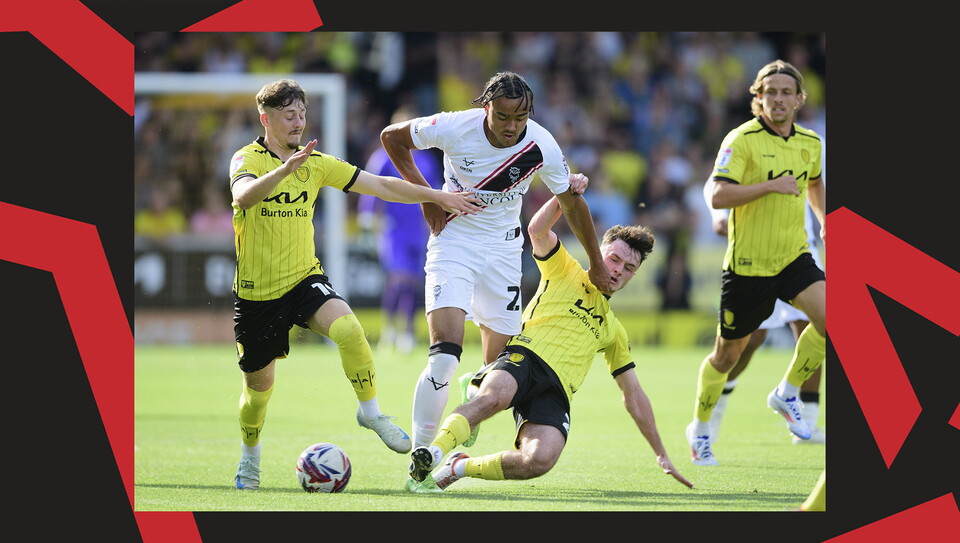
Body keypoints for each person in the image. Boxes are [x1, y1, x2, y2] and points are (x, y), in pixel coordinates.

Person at [229, 79, 482, 490]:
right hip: (257, 294)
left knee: (349, 329)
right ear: (266, 119)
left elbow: (382, 185)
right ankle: (250, 459)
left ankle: (370, 412)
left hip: (302, 278)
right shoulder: (247, 159)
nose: (298, 122)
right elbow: (242, 197)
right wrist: (283, 171)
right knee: (258, 394)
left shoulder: (315, 161)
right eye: (289, 115)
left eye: (302, 114)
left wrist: (438, 197)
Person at [380, 71, 614, 490]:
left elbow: (572, 203)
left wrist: (596, 262)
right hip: (454, 242)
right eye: (503, 116)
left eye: (520, 118)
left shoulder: (540, 143)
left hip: (505, 254)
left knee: (493, 371)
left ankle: (464, 426)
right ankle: (419, 461)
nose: (511, 127)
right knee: (444, 356)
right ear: (485, 108)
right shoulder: (454, 125)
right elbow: (391, 137)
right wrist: (428, 196)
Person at [407, 193, 692, 492]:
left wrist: (660, 453)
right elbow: (536, 231)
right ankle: (431, 454)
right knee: (495, 398)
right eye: (614, 259)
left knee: (538, 460)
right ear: (599, 252)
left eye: (628, 268)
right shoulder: (565, 270)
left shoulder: (614, 330)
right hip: (525, 357)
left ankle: (459, 466)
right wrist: (562, 191)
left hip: (555, 393)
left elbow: (633, 394)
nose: (619, 269)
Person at [685, 59, 826, 466]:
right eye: (770, 93)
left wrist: (825, 221)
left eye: (786, 93)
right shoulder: (741, 139)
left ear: (799, 99)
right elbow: (716, 196)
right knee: (728, 356)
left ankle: (787, 393)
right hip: (748, 267)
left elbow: (814, 182)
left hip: (794, 257)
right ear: (757, 99)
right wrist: (769, 186)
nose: (778, 99)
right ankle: (701, 429)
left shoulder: (810, 143)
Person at [704, 183, 826, 445]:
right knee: (749, 341)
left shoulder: (813, 144)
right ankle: (712, 411)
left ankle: (809, 421)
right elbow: (715, 182)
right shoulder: (750, 141)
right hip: (756, 254)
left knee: (817, 327)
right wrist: (718, 216)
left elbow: (817, 185)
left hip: (800, 250)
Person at [357, 107, 443, 354]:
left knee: (414, 281)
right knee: (398, 279)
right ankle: (391, 330)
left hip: (419, 229)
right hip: (393, 229)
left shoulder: (425, 159)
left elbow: (435, 190)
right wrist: (368, 218)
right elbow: (371, 187)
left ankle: (406, 330)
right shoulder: (383, 157)